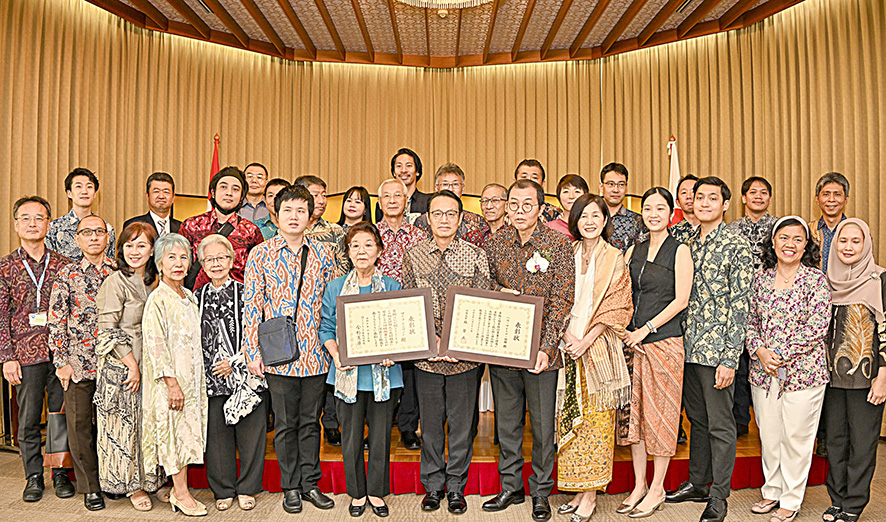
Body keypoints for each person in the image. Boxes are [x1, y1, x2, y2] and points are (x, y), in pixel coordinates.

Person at [482, 179, 574, 522]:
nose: (520, 212)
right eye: (514, 205)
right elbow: (483, 283)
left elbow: (563, 299)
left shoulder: (556, 244)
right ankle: (510, 486)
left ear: (540, 207)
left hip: (540, 352)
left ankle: (540, 491)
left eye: (527, 205)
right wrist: (499, 292)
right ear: (507, 206)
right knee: (507, 423)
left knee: (542, 427)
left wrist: (548, 348)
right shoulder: (496, 243)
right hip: (505, 346)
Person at [242, 186, 338, 514]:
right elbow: (252, 305)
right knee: (284, 423)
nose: (294, 216)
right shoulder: (261, 254)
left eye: (301, 210)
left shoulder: (325, 254)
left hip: (316, 354)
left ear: (310, 215)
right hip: (278, 354)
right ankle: (291, 486)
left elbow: (333, 304)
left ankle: (311, 483)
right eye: (288, 211)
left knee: (312, 421)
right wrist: (251, 351)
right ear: (277, 215)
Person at [665, 177, 753, 522]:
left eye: (711, 198)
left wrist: (730, 358)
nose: (703, 203)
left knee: (720, 424)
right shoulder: (684, 240)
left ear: (725, 204)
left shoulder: (736, 244)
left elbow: (740, 305)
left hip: (717, 352)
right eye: (698, 197)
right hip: (684, 346)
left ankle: (719, 496)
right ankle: (698, 482)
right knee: (697, 419)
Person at [402, 191, 492, 515]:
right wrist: (434, 339)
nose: (443, 220)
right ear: (427, 218)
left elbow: (481, 305)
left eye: (450, 214)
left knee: (460, 424)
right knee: (430, 423)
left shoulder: (477, 255)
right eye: (437, 214)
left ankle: (456, 487)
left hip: (463, 357)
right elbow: (409, 304)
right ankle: (433, 486)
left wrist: (454, 342)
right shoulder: (412, 256)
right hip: (427, 356)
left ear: (460, 218)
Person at [745, 216, 830, 522]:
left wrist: (780, 353)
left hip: (804, 374)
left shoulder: (816, 280)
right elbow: (749, 321)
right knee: (769, 435)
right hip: (763, 372)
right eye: (783, 237)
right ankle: (772, 490)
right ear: (773, 242)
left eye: (797, 239)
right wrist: (759, 350)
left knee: (796, 438)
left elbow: (816, 327)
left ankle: (791, 499)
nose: (789, 244)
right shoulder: (760, 279)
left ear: (806, 245)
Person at [555, 193, 633, 522]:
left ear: (604, 221)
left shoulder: (615, 257)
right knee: (568, 419)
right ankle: (575, 490)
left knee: (598, 424)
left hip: (598, 348)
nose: (589, 221)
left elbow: (618, 305)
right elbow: (554, 296)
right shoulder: (565, 253)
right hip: (565, 346)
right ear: (575, 220)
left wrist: (585, 340)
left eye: (595, 216)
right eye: (583, 215)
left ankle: (590, 496)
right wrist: (565, 335)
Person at [319, 222, 403, 518]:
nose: (362, 250)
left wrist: (394, 352)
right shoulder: (335, 287)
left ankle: (377, 493)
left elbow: (402, 327)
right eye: (355, 245)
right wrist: (336, 353)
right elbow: (326, 327)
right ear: (348, 252)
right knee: (351, 437)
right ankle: (356, 493)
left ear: (379, 250)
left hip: (384, 375)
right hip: (347, 373)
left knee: (381, 437)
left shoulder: (393, 286)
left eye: (368, 244)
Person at [620, 188, 692, 518]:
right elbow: (621, 292)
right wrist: (625, 330)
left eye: (659, 208)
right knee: (635, 417)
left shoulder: (680, 251)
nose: (653, 213)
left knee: (661, 417)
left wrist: (645, 329)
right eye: (647, 208)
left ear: (670, 212)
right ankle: (639, 484)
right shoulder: (634, 249)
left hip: (664, 343)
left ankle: (658, 487)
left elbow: (681, 301)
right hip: (632, 344)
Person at [0, 196, 73, 503]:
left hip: (61, 356)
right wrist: (7, 357)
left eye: (39, 218)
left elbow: (74, 311)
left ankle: (58, 472)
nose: (33, 223)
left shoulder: (64, 265)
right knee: (29, 418)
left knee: (59, 416)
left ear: (48, 223)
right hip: (25, 355)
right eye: (26, 218)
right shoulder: (5, 266)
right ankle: (32, 476)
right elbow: (1, 315)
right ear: (17, 224)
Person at [94, 222, 166, 510]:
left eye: (142, 245)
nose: (135, 251)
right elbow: (107, 329)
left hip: (152, 364)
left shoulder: (156, 279)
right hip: (122, 366)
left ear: (152, 249)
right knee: (125, 429)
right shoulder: (115, 281)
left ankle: (154, 481)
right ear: (121, 249)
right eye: (129, 245)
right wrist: (132, 365)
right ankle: (132, 487)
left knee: (151, 425)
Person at [194, 234, 267, 512]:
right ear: (201, 263)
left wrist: (235, 362)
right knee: (217, 437)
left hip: (246, 374)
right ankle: (222, 489)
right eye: (209, 259)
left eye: (221, 257)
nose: (216, 263)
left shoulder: (246, 291)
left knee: (251, 434)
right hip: (210, 377)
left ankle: (248, 488)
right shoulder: (195, 297)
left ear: (232, 259)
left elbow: (258, 331)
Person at [48, 215, 115, 511]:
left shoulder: (120, 272)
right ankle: (90, 487)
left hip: (115, 362)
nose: (93, 237)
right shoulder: (67, 274)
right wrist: (61, 361)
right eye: (86, 232)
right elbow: (56, 320)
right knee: (79, 426)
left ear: (107, 237)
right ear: (77, 239)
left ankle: (114, 480)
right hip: (77, 363)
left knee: (112, 424)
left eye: (99, 232)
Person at [821, 219, 885, 522]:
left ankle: (854, 504)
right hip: (829, 378)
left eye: (855, 241)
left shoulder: (880, 279)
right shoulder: (825, 281)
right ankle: (837, 498)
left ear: (866, 244)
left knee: (862, 443)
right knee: (834, 441)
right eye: (843, 241)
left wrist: (883, 376)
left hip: (867, 378)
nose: (848, 247)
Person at [141, 233, 208, 517]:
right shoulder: (157, 299)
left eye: (183, 257)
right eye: (171, 257)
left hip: (193, 380)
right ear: (159, 263)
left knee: (187, 433)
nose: (178, 263)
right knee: (174, 435)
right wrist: (172, 383)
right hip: (171, 383)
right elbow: (155, 344)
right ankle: (180, 493)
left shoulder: (189, 296)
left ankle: (179, 488)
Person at [375, 178, 427, 450]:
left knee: (409, 375)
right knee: (377, 374)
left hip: (410, 315)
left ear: (407, 201)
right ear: (380, 201)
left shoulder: (419, 235)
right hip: (377, 314)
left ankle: (408, 427)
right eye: (387, 196)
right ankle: (376, 431)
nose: (393, 200)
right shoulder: (369, 234)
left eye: (399, 195)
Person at [726, 176, 778, 437]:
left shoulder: (780, 228)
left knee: (766, 362)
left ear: (769, 198)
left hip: (771, 308)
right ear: (743, 198)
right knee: (738, 366)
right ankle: (739, 421)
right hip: (737, 306)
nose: (758, 196)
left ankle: (769, 424)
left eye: (764, 192)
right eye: (752, 192)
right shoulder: (731, 230)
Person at [179, 166, 264, 289]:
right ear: (213, 192)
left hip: (237, 302)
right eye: (223, 187)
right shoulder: (191, 225)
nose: (229, 193)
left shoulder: (251, 231)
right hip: (196, 300)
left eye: (235, 189)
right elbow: (178, 265)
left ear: (241, 197)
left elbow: (258, 273)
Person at [46, 168, 116, 260]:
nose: (84, 191)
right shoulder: (54, 227)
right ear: (69, 193)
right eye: (78, 186)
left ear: (95, 193)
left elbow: (111, 264)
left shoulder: (107, 229)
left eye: (89, 187)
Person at [412, 163, 486, 245]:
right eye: (445, 184)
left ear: (463, 188)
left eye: (455, 184)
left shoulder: (477, 221)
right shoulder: (422, 221)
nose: (450, 189)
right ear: (436, 188)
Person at [295, 175, 348, 276]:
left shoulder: (335, 230)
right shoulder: (289, 230)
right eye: (315, 195)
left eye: (324, 195)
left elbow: (343, 268)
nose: (321, 201)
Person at [599, 162, 647, 253]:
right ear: (601, 187)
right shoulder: (592, 217)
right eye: (610, 184)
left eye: (621, 184)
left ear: (626, 187)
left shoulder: (638, 221)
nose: (616, 190)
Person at [808, 172, 850, 275]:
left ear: (846, 200)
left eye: (837, 194)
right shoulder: (807, 231)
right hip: (813, 288)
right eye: (826, 194)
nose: (831, 199)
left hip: (848, 288)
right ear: (817, 199)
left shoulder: (856, 231)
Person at [374, 148, 431, 222]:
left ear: (417, 171)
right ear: (394, 172)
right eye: (399, 166)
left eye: (409, 165)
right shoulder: (384, 202)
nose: (403, 170)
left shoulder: (428, 201)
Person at [123, 172, 181, 237]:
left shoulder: (182, 228)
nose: (161, 196)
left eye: (166, 192)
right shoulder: (133, 225)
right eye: (156, 191)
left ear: (173, 197)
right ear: (147, 196)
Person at [546, 174, 588, 240]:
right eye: (566, 191)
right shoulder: (549, 228)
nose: (571, 196)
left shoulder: (591, 226)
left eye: (577, 191)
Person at [669, 175, 700, 244]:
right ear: (677, 202)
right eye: (684, 192)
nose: (688, 196)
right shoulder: (670, 234)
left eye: (693, 191)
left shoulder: (712, 229)